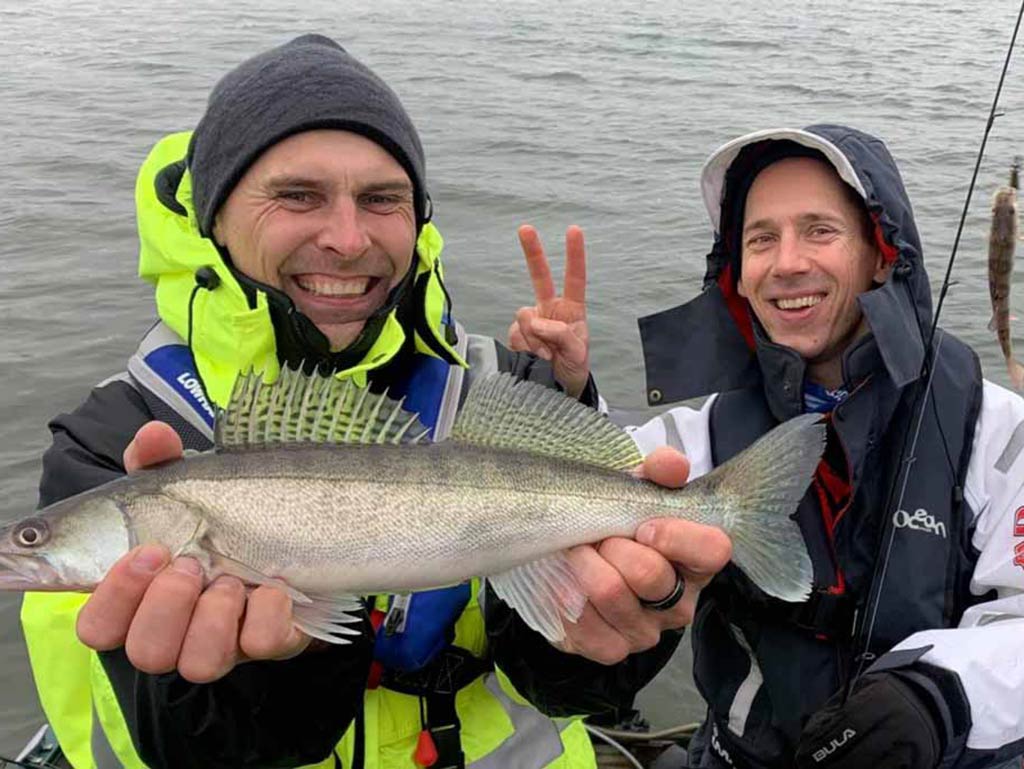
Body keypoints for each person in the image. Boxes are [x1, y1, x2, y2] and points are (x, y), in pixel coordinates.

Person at [19, 33, 718, 769]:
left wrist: (625, 628)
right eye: (297, 195)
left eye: (382, 199)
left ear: (417, 220)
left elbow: (571, 689)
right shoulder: (113, 441)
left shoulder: (503, 384)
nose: (348, 239)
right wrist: (261, 675)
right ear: (213, 218)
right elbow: (132, 742)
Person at [504, 124, 1024, 768]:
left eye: (820, 231)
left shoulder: (999, 434)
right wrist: (567, 390)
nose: (787, 262)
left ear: (882, 254)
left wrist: (941, 696)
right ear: (737, 277)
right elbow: (594, 484)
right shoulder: (701, 436)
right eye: (760, 240)